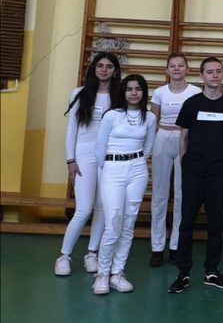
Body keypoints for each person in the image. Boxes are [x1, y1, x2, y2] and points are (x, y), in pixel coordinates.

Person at [167, 57, 223, 294]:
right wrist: (186, 164)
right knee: (187, 221)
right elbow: (183, 138)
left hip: (218, 171)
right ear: (201, 75)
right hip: (193, 170)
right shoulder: (191, 104)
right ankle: (183, 272)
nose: (214, 75)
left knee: (215, 222)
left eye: (218, 71)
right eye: (209, 72)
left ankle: (211, 271)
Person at [54, 52, 121, 277]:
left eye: (109, 66)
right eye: (100, 65)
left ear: (115, 71)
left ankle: (92, 253)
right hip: (84, 153)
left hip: (110, 155)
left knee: (102, 207)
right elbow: (72, 129)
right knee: (83, 209)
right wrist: (70, 160)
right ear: (93, 68)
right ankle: (64, 256)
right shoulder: (79, 93)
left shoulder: (119, 95)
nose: (104, 69)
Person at [91, 74, 157, 294]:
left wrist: (136, 162)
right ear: (123, 92)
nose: (134, 93)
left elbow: (148, 147)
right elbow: (99, 148)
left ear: (144, 92)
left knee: (128, 224)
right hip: (112, 169)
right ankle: (102, 274)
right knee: (113, 223)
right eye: (129, 89)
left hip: (137, 170)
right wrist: (109, 169)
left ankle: (117, 273)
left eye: (138, 89)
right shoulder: (112, 115)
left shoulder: (150, 118)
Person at [149, 53, 201, 266]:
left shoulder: (195, 92)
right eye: (172, 66)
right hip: (163, 137)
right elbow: (153, 121)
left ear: (187, 69)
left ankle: (176, 245)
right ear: (167, 70)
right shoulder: (159, 92)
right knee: (159, 194)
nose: (177, 69)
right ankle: (157, 246)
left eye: (181, 65)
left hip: (185, 139)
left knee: (181, 194)